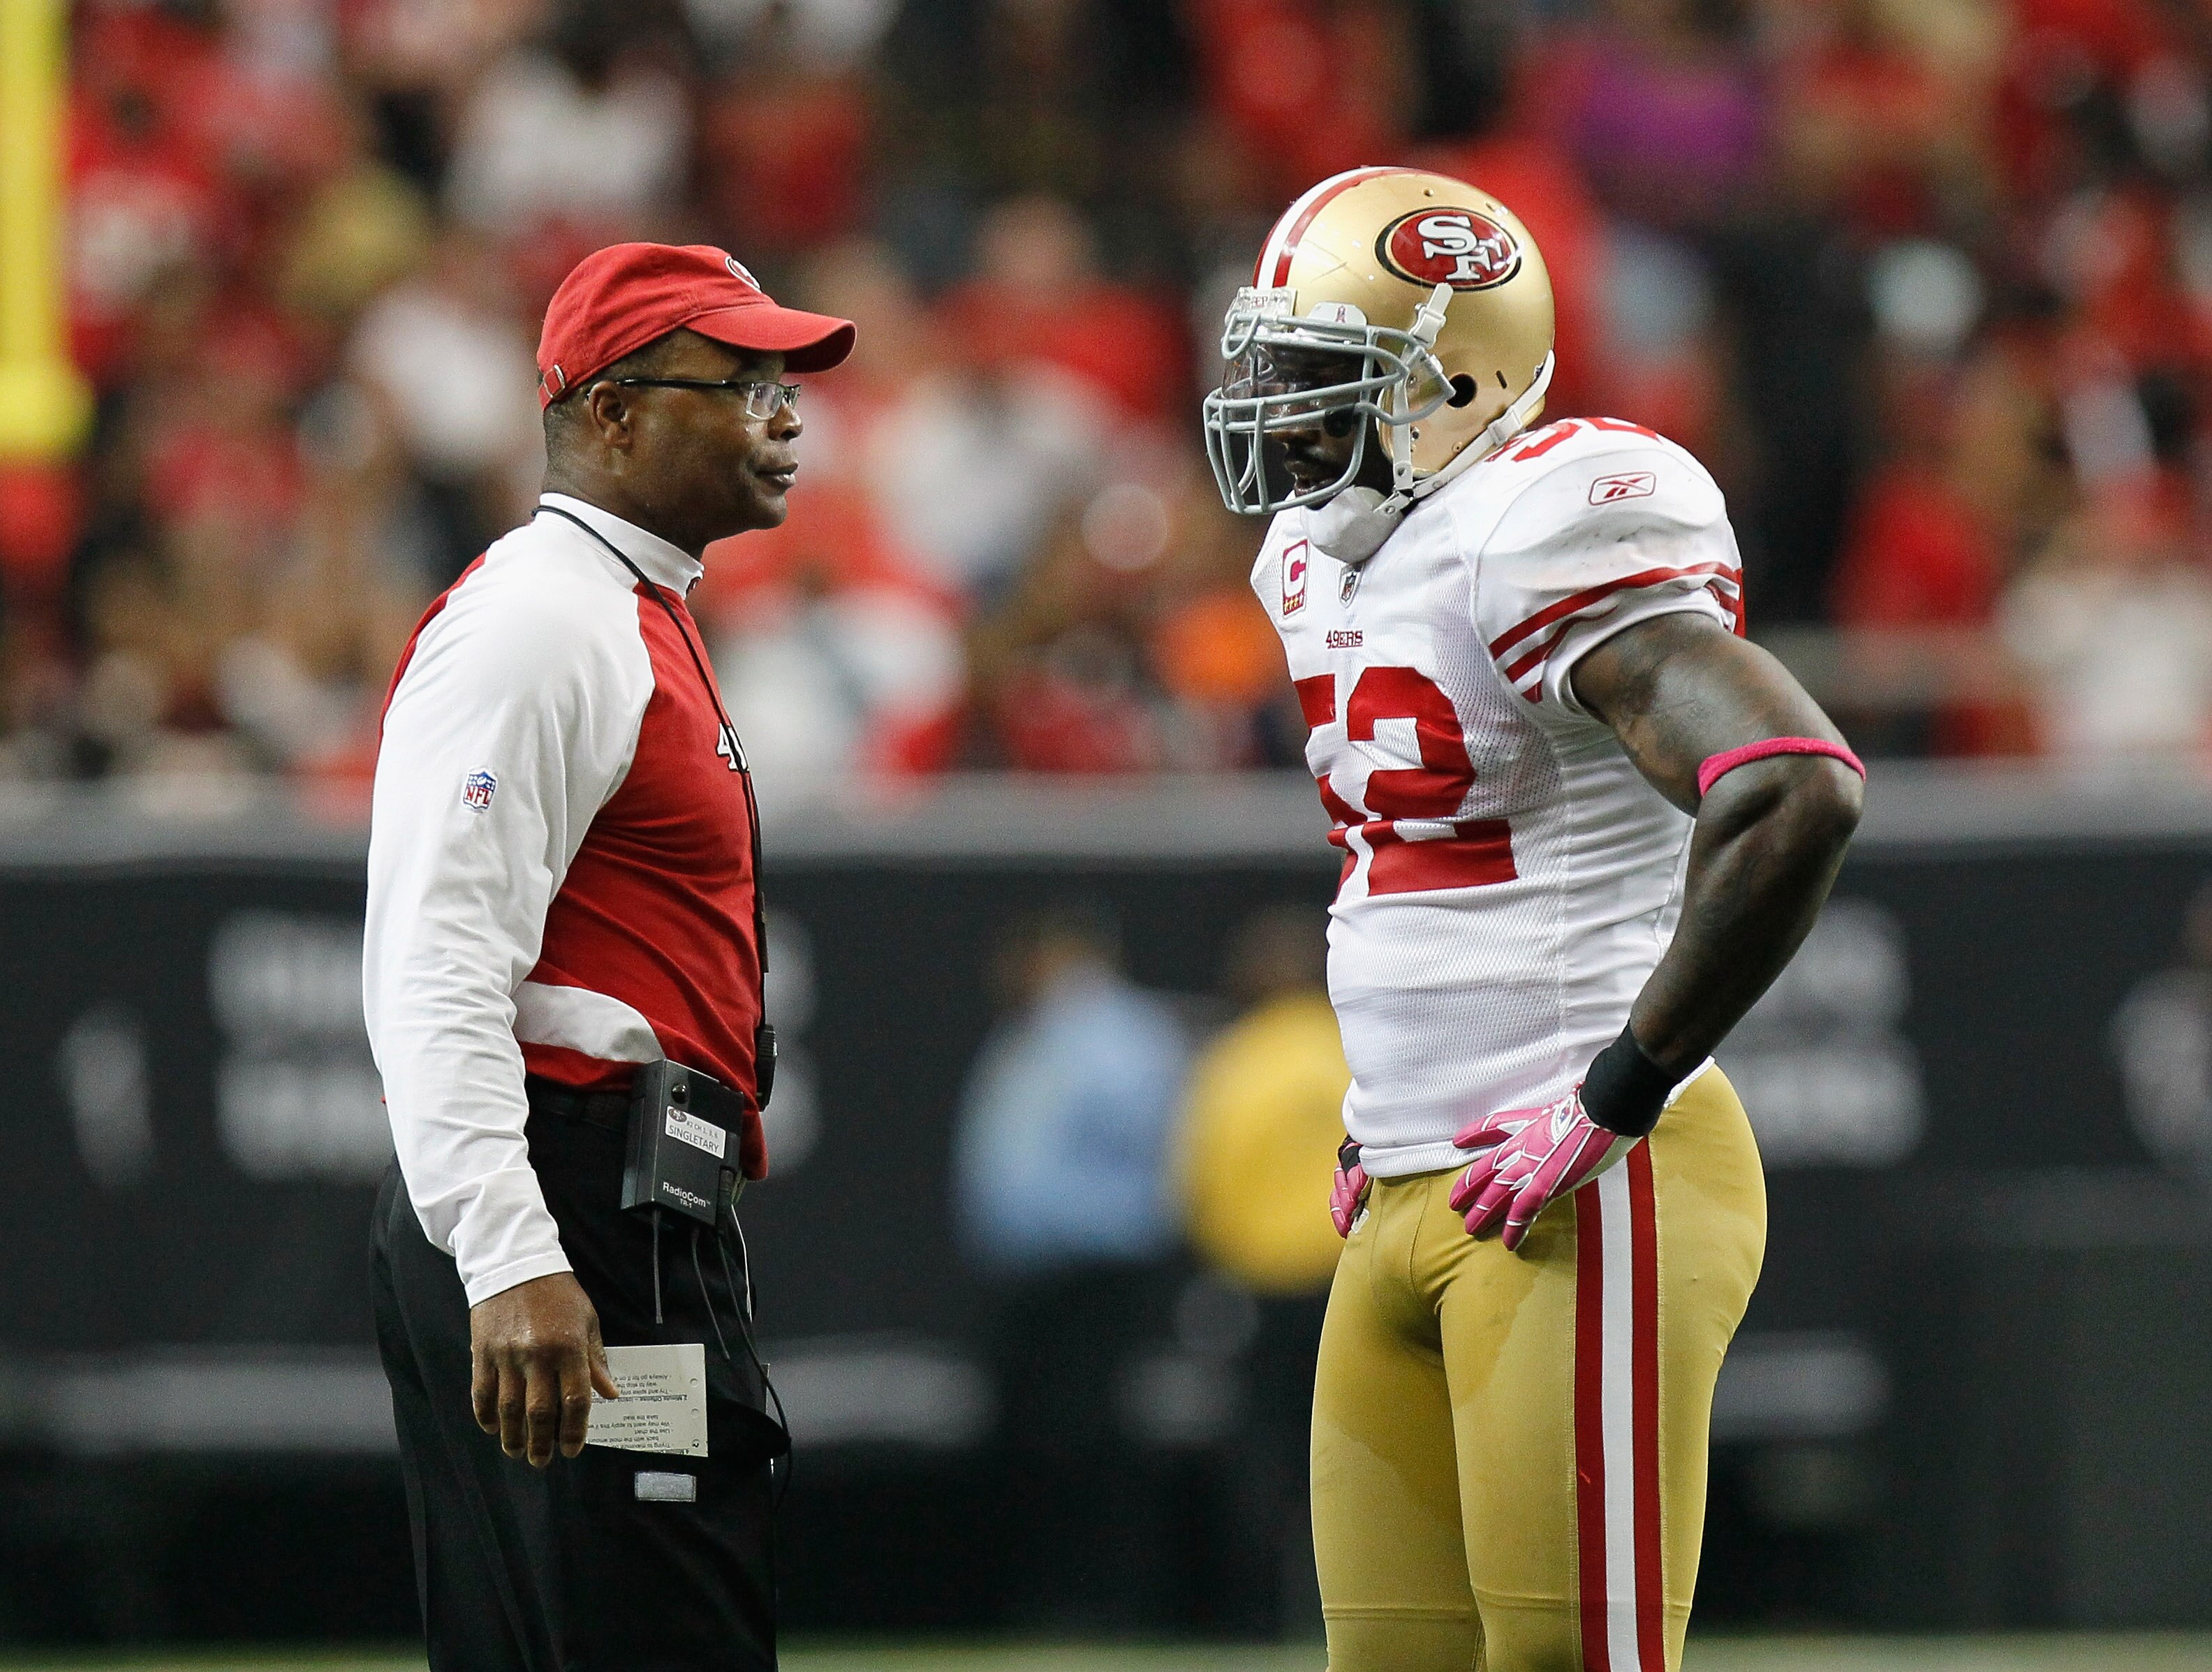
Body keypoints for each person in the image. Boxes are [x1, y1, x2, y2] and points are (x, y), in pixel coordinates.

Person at [1203, 168, 1864, 1672]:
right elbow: (1416, 858)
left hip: (1579, 1188)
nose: (1286, 420)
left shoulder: (1543, 515)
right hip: (1405, 1184)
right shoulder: (1315, 553)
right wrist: (1394, 1102)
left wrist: (1610, 1099)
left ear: (1455, 378)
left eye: (1327, 381)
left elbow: (1793, 786)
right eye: (1280, 376)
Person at [363, 241, 854, 1671]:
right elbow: (436, 956)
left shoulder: (626, 605)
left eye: (786, 383)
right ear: (615, 412)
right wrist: (512, 1251)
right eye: (740, 380)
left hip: (606, 1197)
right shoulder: (542, 618)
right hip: (571, 1194)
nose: (784, 413)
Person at [949, 902, 1190, 1628]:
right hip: (1027, 1279)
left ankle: (1102, 1604)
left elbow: (1154, 1159)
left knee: (1091, 1440)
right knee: (1025, 1441)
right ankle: (1034, 1602)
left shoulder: (1124, 1037)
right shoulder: (1029, 1036)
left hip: (1095, 1274)